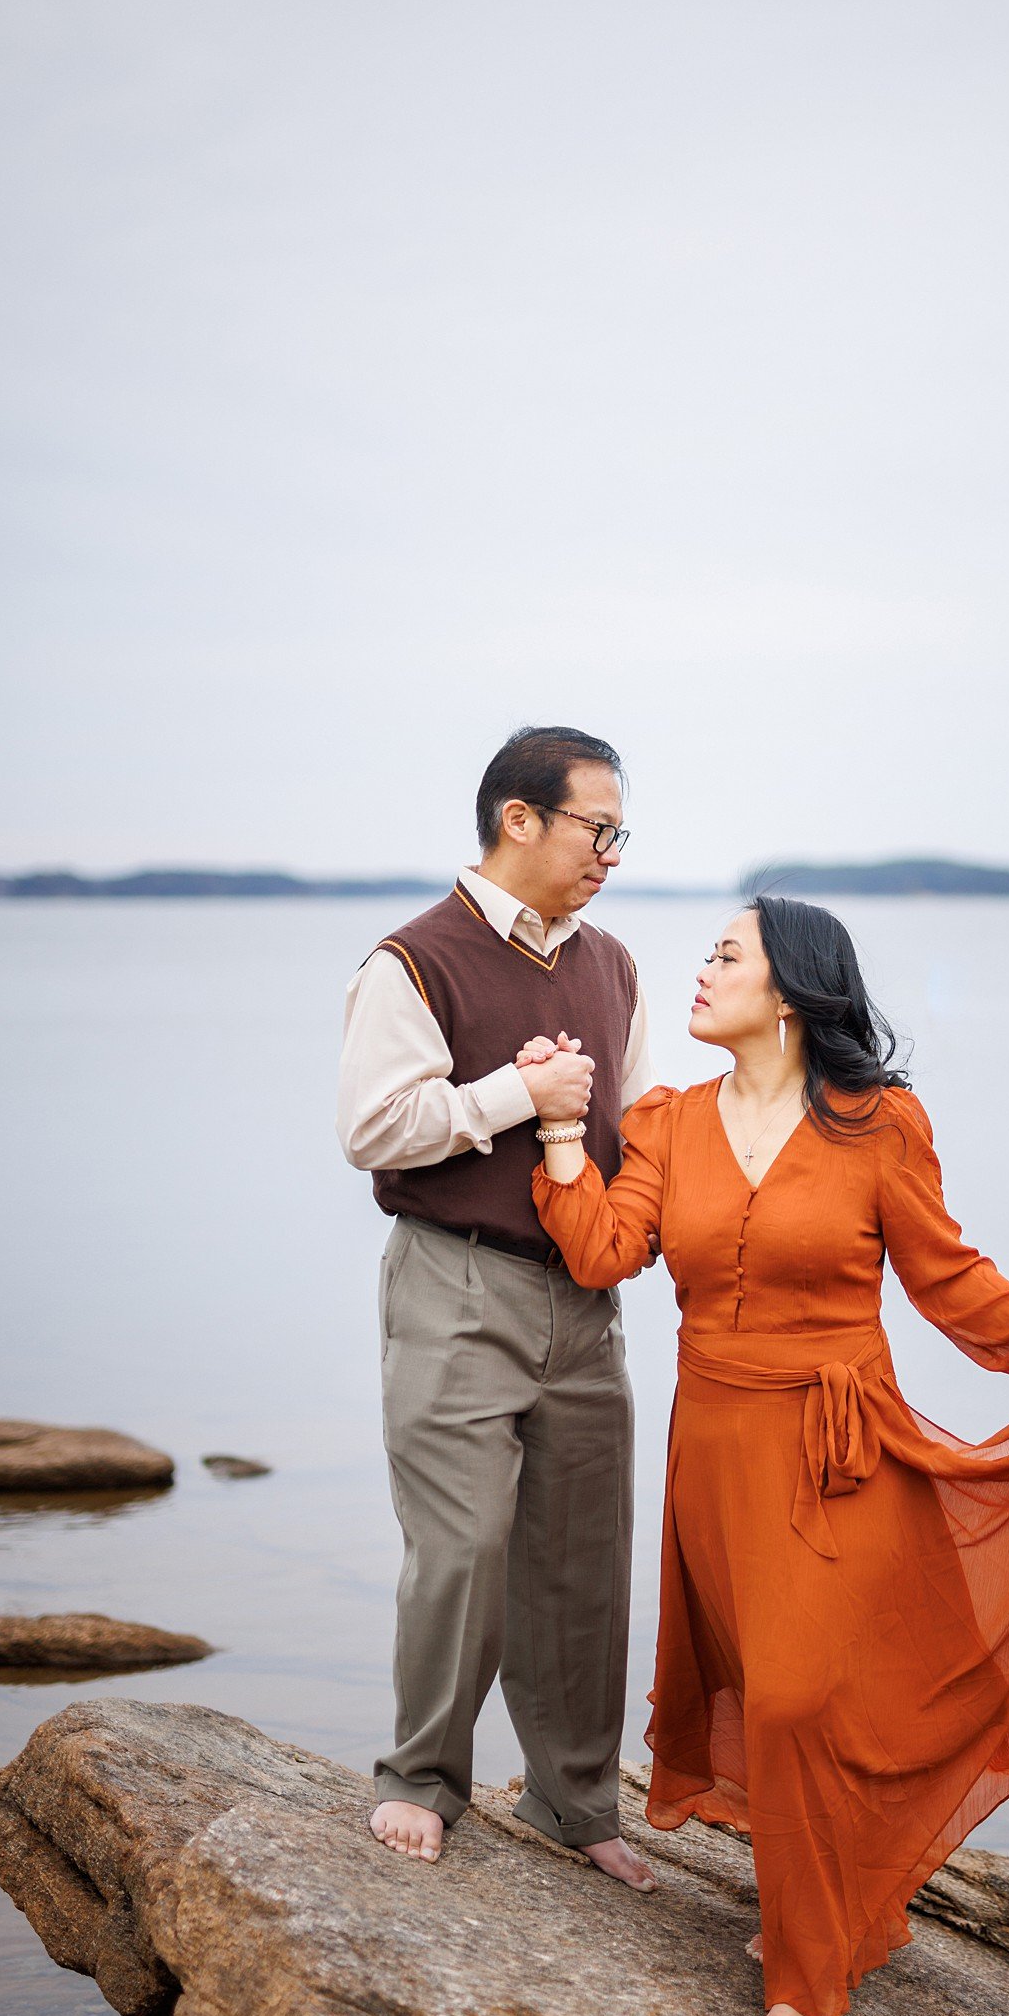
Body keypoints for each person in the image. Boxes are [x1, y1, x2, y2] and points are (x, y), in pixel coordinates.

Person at [519, 895, 1009, 2016]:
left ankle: (806, 1977)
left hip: (841, 1445)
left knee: (797, 1699)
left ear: (793, 990)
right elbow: (605, 1252)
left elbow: (949, 1279)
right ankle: (807, 1916)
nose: (702, 971)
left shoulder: (880, 1124)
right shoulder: (667, 1122)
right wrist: (564, 1139)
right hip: (714, 1451)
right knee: (770, 1697)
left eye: (727, 956)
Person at [337, 725, 658, 1893]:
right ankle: (421, 1778)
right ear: (518, 820)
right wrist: (514, 1093)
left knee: (582, 1559)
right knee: (463, 1544)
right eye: (597, 827)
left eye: (622, 832)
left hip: (584, 1300)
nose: (612, 851)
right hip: (454, 1275)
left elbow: (615, 1135)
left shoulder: (614, 966)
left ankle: (578, 1801)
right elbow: (373, 1129)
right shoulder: (411, 960)